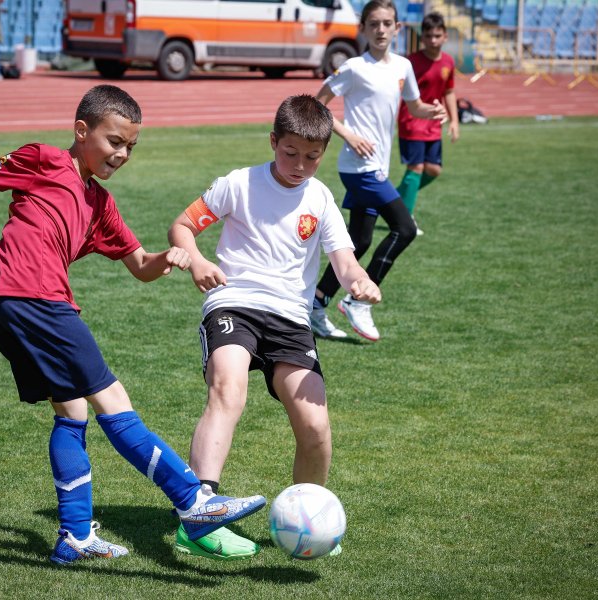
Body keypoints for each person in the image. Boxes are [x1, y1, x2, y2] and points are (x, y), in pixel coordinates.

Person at [0, 84, 265, 566]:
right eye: (114, 141)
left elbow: (141, 265)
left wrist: (174, 258)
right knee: (113, 401)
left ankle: (75, 535)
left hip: (7, 305)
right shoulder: (43, 159)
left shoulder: (102, 205)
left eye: (130, 147)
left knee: (72, 412)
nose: (121, 154)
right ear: (82, 131)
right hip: (33, 296)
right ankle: (194, 502)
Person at [168, 94, 382, 559]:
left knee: (316, 425)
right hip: (234, 302)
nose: (300, 165)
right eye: (290, 153)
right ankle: (199, 516)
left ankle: (311, 518)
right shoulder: (238, 184)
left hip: (289, 319)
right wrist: (198, 261)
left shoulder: (321, 197)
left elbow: (343, 261)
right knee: (228, 390)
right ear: (273, 142)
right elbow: (182, 225)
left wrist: (359, 280)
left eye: (312, 156)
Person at [308, 0, 447, 342]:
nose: (381, 30)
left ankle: (316, 304)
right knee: (405, 228)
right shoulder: (354, 67)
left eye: (387, 23)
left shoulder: (402, 67)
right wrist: (349, 135)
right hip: (358, 168)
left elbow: (414, 106)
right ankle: (358, 300)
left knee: (359, 241)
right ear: (364, 29)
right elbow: (317, 104)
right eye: (374, 24)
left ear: (398, 29)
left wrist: (433, 112)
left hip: (379, 165)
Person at [396, 11, 460, 235]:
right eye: (429, 36)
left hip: (433, 124)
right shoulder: (410, 62)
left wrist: (454, 120)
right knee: (416, 168)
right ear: (422, 38)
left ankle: (393, 202)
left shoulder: (448, 62)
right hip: (411, 121)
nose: (433, 40)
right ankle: (406, 219)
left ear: (445, 37)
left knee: (434, 170)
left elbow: (449, 91)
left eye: (437, 35)